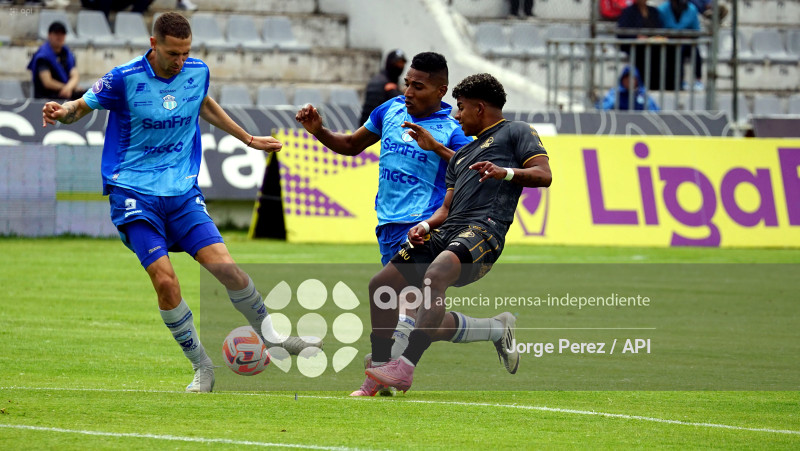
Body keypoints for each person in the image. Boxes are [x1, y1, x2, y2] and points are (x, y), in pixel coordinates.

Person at [42, 12, 320, 393]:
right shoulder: (123, 79)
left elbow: (203, 104)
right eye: (174, 53)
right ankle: (201, 367)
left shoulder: (197, 70)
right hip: (133, 193)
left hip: (182, 193)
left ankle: (273, 336)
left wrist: (248, 139)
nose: (181, 61)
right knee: (165, 280)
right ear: (154, 44)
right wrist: (62, 113)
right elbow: (79, 108)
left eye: (186, 53)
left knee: (229, 270)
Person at [296, 53, 517, 397]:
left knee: (401, 309)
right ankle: (493, 329)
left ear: (441, 90)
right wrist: (320, 131)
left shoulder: (454, 127)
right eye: (407, 84)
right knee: (421, 317)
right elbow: (353, 145)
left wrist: (437, 153)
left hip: (426, 226)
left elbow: (471, 172)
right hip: (388, 226)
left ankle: (379, 374)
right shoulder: (389, 110)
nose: (409, 91)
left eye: (419, 86)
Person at [363, 73, 552, 393]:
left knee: (434, 276)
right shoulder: (462, 156)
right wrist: (423, 227)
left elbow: (543, 175)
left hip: (484, 231)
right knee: (381, 285)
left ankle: (404, 368)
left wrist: (504, 172)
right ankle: (381, 368)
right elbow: (446, 209)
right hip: (448, 230)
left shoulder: (517, 132)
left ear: (480, 108)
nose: (456, 114)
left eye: (461, 107)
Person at [616, 0, 667, 91]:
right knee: (642, 53)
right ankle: (642, 85)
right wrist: (636, 37)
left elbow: (660, 29)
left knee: (666, 52)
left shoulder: (653, 11)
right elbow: (621, 33)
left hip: (653, 45)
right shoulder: (628, 11)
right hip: (635, 46)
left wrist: (657, 37)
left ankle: (662, 85)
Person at [27, 22, 83, 100]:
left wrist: (69, 88)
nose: (59, 37)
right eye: (56, 33)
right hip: (46, 96)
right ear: (49, 35)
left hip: (66, 92)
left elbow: (75, 76)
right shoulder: (42, 56)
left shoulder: (68, 54)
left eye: (62, 34)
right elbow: (47, 82)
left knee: (88, 97)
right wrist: (67, 88)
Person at [657, 0, 704, 90]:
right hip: (669, 43)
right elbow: (660, 29)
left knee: (695, 51)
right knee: (678, 51)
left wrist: (686, 36)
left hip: (687, 41)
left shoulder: (691, 9)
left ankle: (698, 80)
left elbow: (696, 30)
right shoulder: (662, 10)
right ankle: (681, 80)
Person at [359, 49, 407, 125]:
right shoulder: (381, 82)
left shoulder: (390, 81)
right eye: (397, 63)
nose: (400, 66)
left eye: (402, 63)